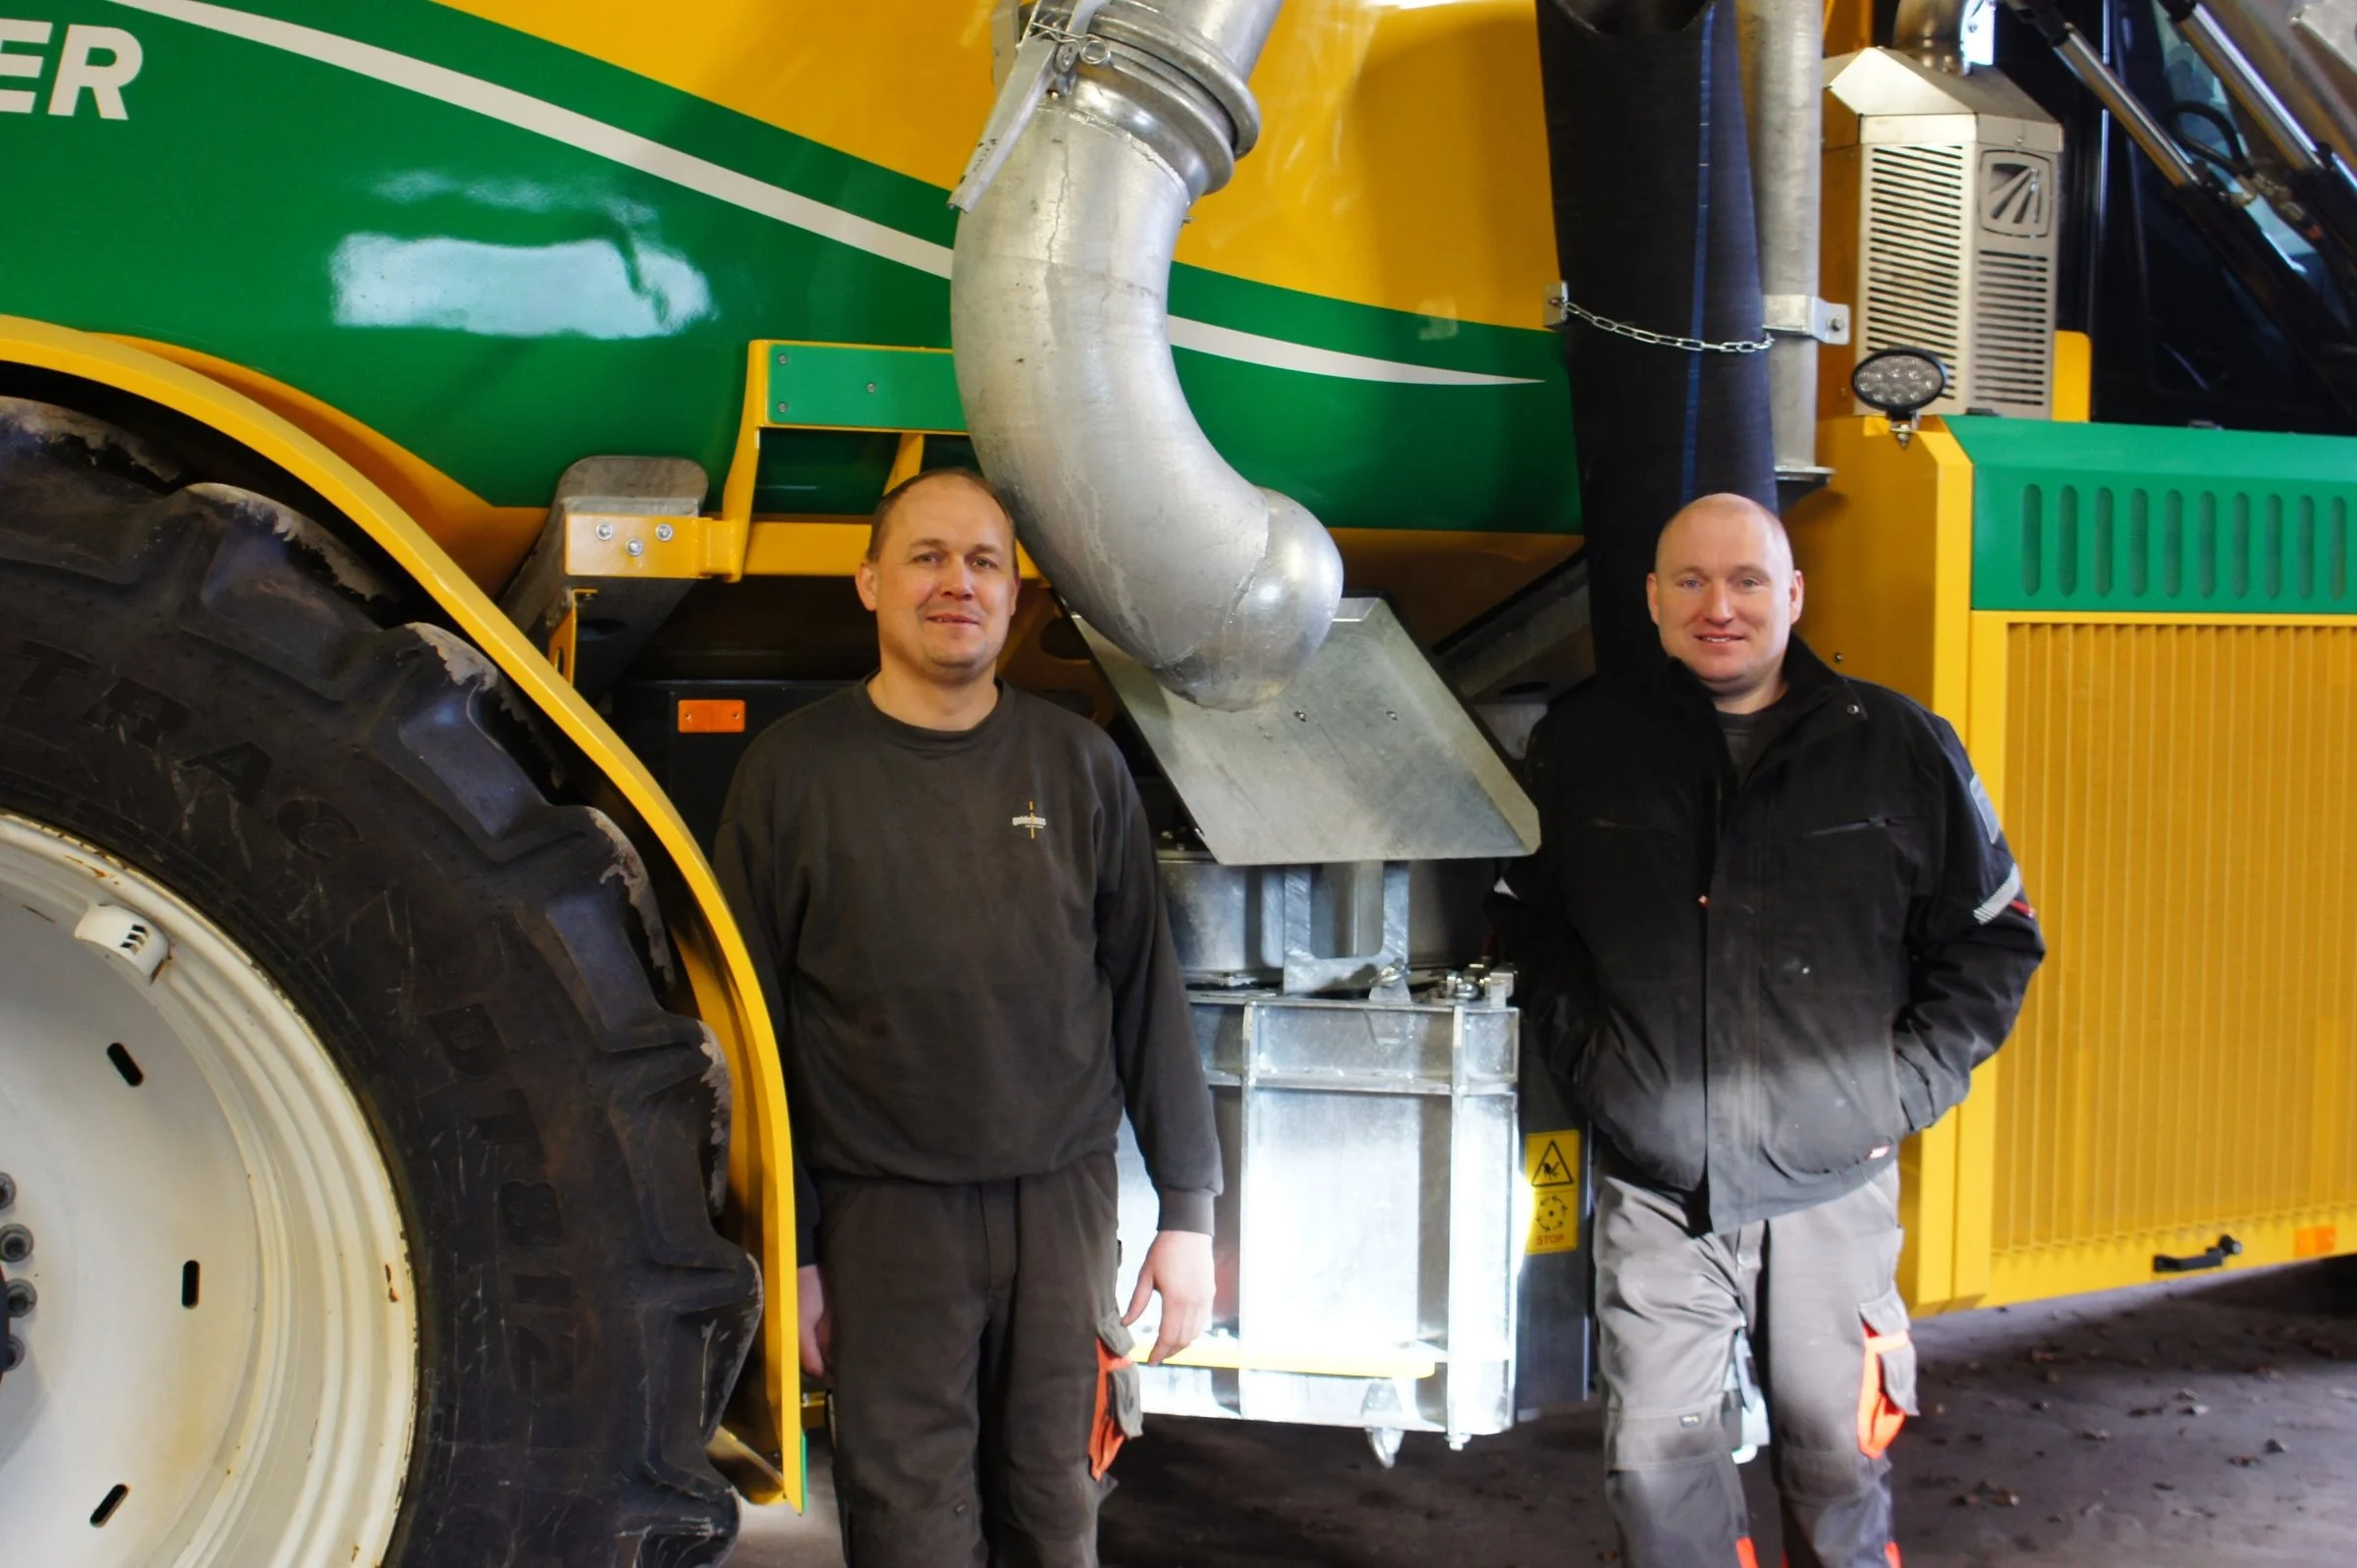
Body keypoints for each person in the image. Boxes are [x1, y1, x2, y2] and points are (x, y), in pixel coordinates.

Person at [1491, 493, 2044, 1568]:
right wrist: (1602, 1068)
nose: (1720, 606)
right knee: (1658, 1484)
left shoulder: (1897, 747)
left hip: (1830, 1185)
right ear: (1652, 601)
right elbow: (1526, 921)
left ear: (1793, 595)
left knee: (1836, 1472)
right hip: (1661, 1196)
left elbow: (1994, 945)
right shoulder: (1586, 746)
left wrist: (1892, 1094)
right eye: (1690, 582)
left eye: (1747, 581)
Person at [714, 467, 1220, 1568]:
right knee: (909, 1530)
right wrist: (790, 1245)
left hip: (1062, 1209)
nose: (959, 584)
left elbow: (1147, 996)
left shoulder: (1080, 765)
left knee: (1054, 1513)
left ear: (1015, 593)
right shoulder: (791, 778)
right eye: (928, 558)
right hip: (883, 1222)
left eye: (984, 562)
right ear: (869, 584)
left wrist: (1189, 1212)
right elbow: (750, 1041)